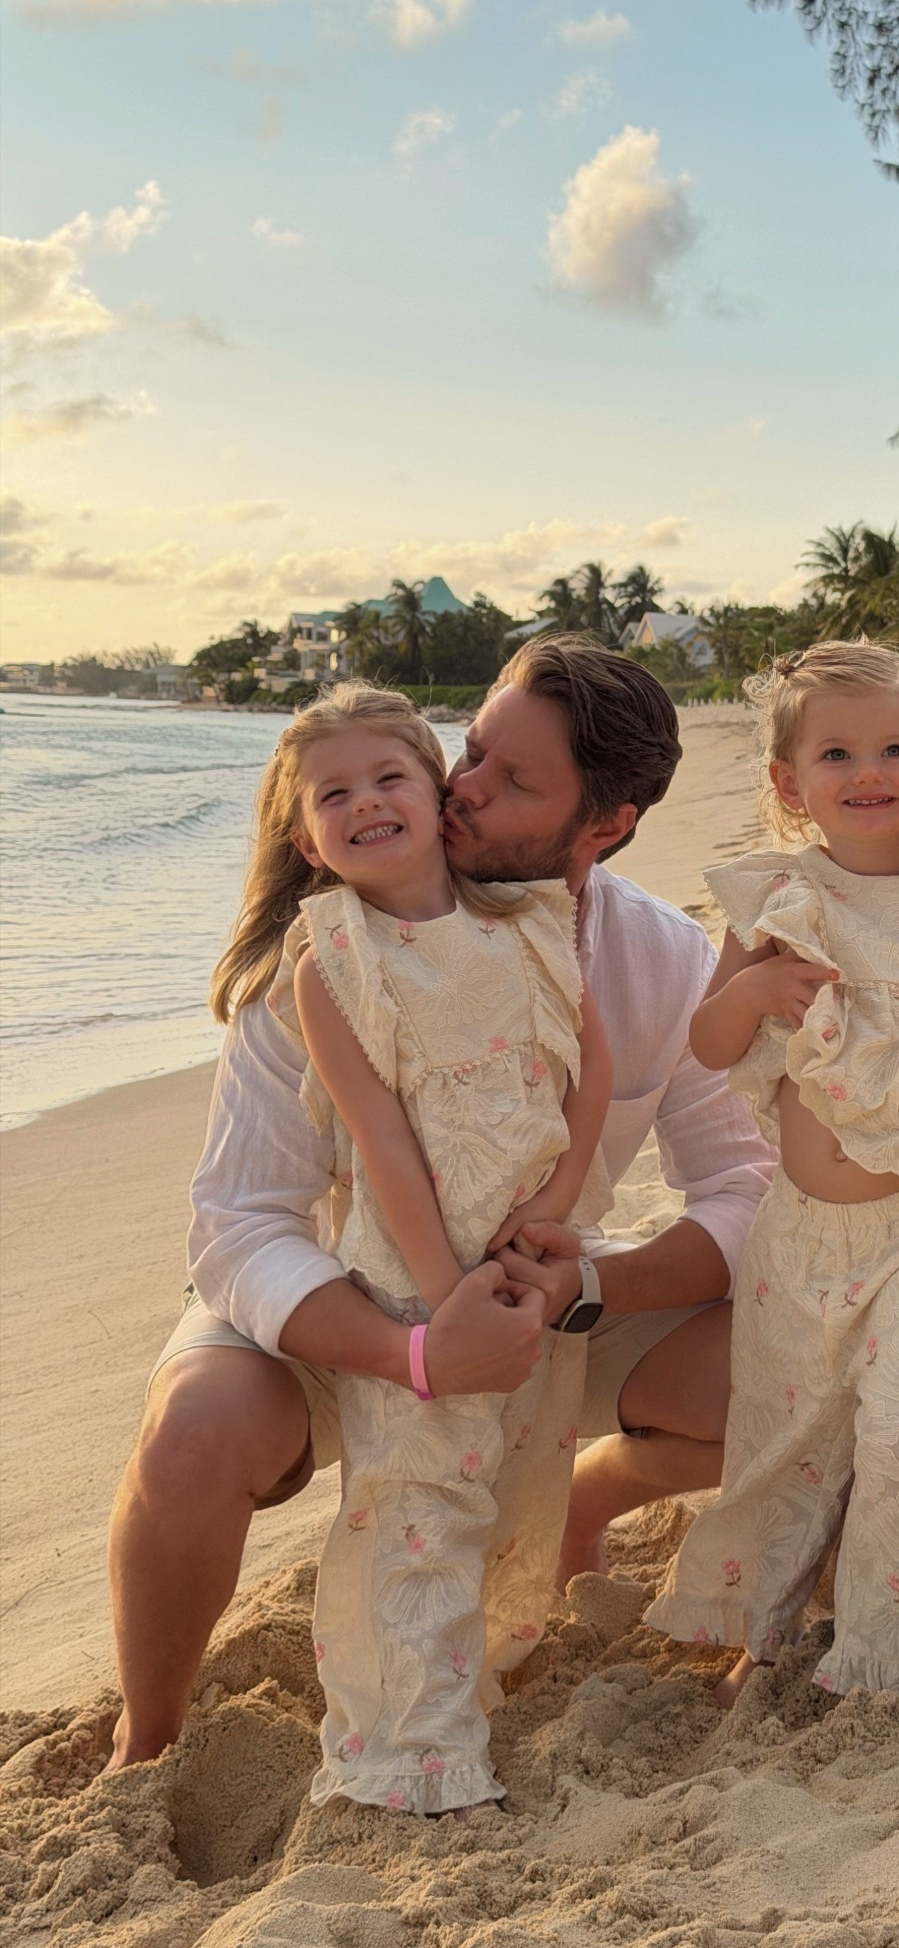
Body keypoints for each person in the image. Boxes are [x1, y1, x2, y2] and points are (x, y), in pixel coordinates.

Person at [106, 637, 774, 1772]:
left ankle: (581, 1499)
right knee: (191, 1438)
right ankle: (148, 1730)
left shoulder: (656, 958)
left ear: (603, 825)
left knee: (792, 1371)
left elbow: (746, 1183)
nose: (461, 789)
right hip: (341, 1303)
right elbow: (239, 1224)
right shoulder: (325, 952)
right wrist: (411, 1346)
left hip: (540, 1299)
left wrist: (591, 1279)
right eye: (471, 753)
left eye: (514, 784)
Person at [221, 682, 610, 1814]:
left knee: (509, 1488)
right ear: (307, 839)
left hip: (525, 1264)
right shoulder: (331, 958)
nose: (366, 802)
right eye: (333, 794)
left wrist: (557, 1215)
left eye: (390, 776)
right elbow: (382, 1143)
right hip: (415, 1284)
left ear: (441, 797)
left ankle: (471, 1697)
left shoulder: (532, 924)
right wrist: (447, 1305)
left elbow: (587, 1072)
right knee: (412, 1509)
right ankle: (409, 1762)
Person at [645, 643, 899, 1721]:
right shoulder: (778, 896)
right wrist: (761, 982)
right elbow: (712, 1039)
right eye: (835, 753)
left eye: (892, 749)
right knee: (784, 1437)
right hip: (798, 1234)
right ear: (788, 782)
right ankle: (758, 1631)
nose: (866, 772)